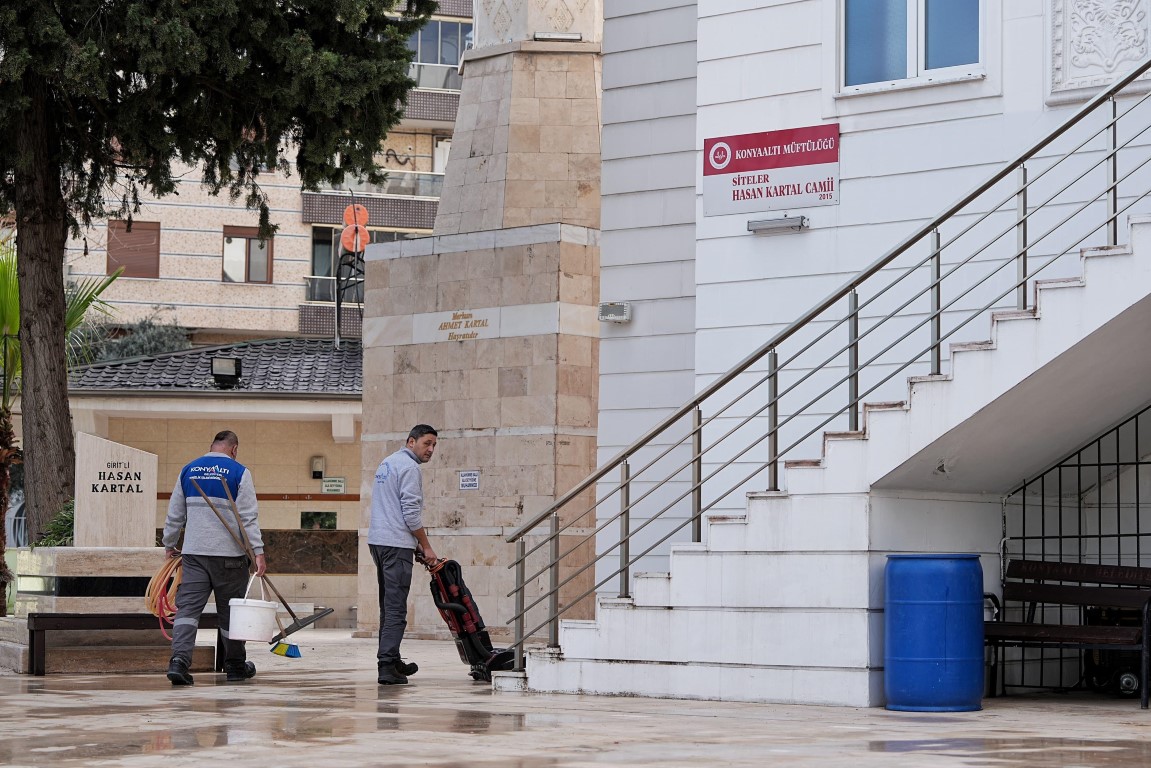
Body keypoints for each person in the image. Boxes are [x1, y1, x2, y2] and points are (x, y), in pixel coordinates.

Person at [162, 430, 266, 686]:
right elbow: (248, 518)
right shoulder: (239, 472)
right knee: (231, 613)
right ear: (234, 449)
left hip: (194, 555)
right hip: (229, 557)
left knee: (188, 610)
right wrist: (258, 551)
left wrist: (169, 544)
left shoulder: (189, 470)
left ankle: (179, 662)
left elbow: (175, 513)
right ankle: (235, 667)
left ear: (212, 446)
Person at [369, 424, 440, 685]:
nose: (430, 449)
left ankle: (393, 658)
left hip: (379, 541)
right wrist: (426, 545)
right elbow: (410, 513)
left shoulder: (387, 463)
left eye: (434, 445)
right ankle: (387, 666)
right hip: (395, 544)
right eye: (426, 443)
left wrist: (414, 545)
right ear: (411, 441)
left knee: (388, 605)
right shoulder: (410, 468)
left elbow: (391, 508)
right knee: (396, 608)